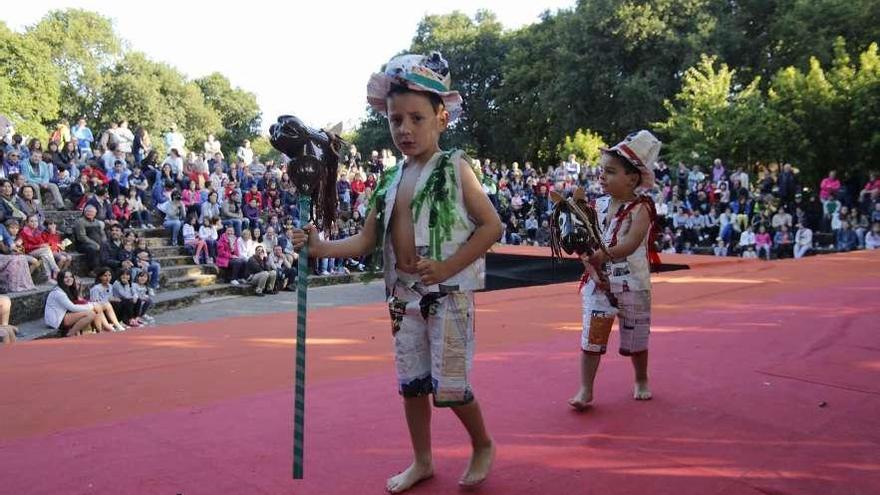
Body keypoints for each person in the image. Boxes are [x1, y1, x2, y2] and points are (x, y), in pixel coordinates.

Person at [294, 52, 501, 492]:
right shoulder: (389, 181)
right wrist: (318, 248)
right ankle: (422, 460)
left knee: (451, 386)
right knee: (411, 385)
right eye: (395, 120)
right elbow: (366, 241)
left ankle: (482, 443)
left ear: (441, 118)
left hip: (448, 294)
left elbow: (492, 226)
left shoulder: (455, 168)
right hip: (402, 298)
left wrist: (448, 265)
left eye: (416, 118)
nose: (404, 129)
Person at [567, 130, 660, 414]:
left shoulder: (642, 207)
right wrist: (582, 249)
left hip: (633, 283)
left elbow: (630, 244)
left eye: (610, 172)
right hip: (599, 285)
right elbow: (586, 238)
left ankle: (641, 377)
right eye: (601, 171)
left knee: (637, 337)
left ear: (632, 179)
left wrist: (601, 255)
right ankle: (586, 388)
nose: (602, 177)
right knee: (592, 337)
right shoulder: (599, 204)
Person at [44, 271, 100, 337]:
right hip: (57, 319)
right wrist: (92, 306)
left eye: (71, 277)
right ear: (60, 279)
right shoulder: (58, 293)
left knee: (92, 311)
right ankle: (70, 334)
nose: (69, 279)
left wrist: (92, 305)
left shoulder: (67, 289)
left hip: (63, 315)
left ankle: (98, 330)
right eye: (66, 277)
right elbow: (73, 308)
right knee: (91, 314)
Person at [89, 267, 129, 331]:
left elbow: (110, 297)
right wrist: (109, 300)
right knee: (108, 305)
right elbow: (95, 301)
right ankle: (108, 325)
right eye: (105, 276)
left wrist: (113, 299)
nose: (108, 278)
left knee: (121, 302)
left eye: (109, 275)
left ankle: (117, 323)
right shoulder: (96, 288)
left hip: (106, 305)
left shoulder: (110, 286)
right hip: (97, 306)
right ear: (100, 277)